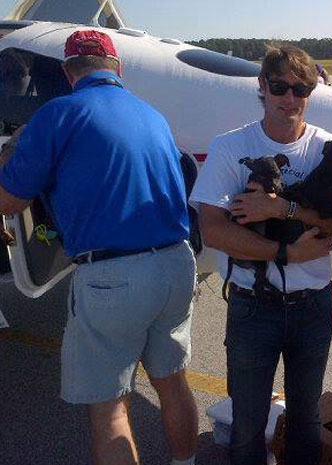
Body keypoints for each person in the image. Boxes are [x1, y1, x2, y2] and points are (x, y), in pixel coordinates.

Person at [0, 30, 198, 465]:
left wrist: (15, 157)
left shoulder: (57, 114)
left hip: (113, 275)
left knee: (108, 405)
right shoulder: (152, 115)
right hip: (176, 264)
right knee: (172, 382)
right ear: (117, 69)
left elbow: (10, 199)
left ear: (69, 72)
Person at [189, 45, 332, 465]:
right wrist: (286, 251)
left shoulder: (327, 149)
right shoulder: (230, 147)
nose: (290, 98)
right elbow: (213, 230)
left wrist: (283, 209)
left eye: (301, 88)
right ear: (262, 87)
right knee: (248, 421)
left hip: (313, 306)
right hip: (253, 307)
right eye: (280, 87)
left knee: (307, 418)